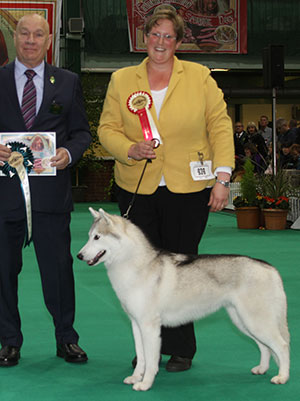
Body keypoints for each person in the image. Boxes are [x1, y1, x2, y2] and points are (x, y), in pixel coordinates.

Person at [98, 6, 234, 373]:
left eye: (168, 36)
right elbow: (107, 128)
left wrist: (223, 178)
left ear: (178, 41)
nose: (160, 42)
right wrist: (129, 148)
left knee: (183, 264)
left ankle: (181, 348)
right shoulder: (122, 79)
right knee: (140, 268)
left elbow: (220, 125)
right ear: (145, 38)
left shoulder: (200, 77)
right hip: (136, 185)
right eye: (154, 35)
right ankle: (148, 348)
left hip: (188, 187)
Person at [0, 14, 91, 366]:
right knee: (4, 272)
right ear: (15, 37)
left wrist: (70, 152)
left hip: (52, 197)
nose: (31, 40)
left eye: (39, 34)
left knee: (58, 271)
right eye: (24, 33)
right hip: (5, 198)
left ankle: (66, 338)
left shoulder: (67, 82)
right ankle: (8, 340)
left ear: (49, 39)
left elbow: (81, 132)